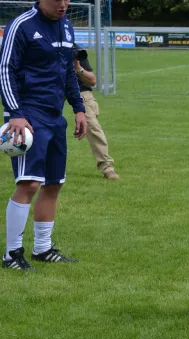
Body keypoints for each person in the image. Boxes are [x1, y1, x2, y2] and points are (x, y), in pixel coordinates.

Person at [0, 0, 87, 271]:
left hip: (54, 116)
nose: (63, 5)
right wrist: (14, 112)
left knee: (53, 183)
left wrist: (79, 108)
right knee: (29, 184)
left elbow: (68, 72)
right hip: (27, 116)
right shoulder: (22, 25)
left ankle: (43, 249)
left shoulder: (67, 25)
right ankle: (11, 254)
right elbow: (5, 69)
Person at [73, 43, 119, 180]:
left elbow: (92, 81)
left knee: (92, 125)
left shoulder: (75, 50)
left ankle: (107, 168)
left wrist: (77, 68)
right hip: (52, 87)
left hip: (79, 90)